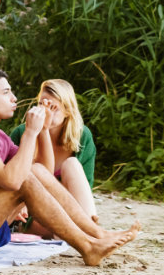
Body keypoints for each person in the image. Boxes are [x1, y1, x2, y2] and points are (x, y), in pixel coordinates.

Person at [0, 68, 138, 265]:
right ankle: (88, 247)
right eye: (6, 92)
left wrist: (42, 130)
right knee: (22, 178)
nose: (14, 98)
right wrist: (30, 132)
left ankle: (98, 235)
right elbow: (14, 181)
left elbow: (43, 171)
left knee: (32, 172)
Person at [10, 79, 99, 223]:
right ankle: (91, 234)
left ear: (67, 111)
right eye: (41, 105)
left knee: (72, 164)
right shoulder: (22, 133)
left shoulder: (82, 136)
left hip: (71, 212)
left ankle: (92, 230)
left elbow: (85, 188)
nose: (46, 112)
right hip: (34, 215)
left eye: (52, 107)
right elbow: (11, 179)